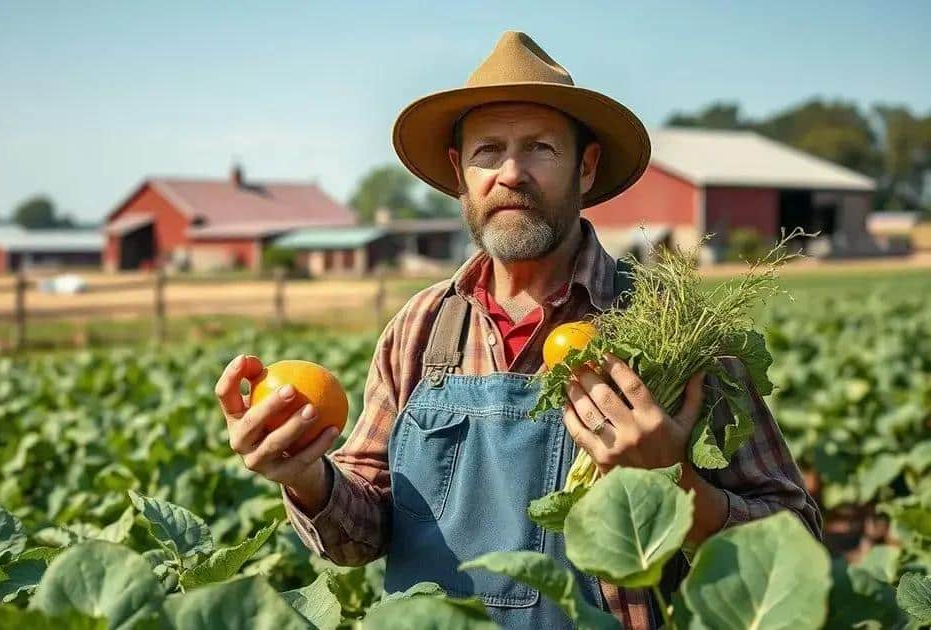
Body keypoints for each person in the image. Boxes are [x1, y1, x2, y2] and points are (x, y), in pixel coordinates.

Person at [215, 31, 821, 629]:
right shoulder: (419, 329)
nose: (510, 174)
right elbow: (360, 535)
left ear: (585, 168)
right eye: (487, 152)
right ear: (460, 173)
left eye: (539, 149)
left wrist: (678, 487)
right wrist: (306, 479)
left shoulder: (676, 334)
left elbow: (796, 543)